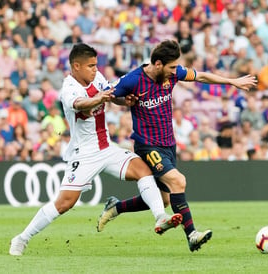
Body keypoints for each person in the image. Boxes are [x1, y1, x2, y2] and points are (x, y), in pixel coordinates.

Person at [9, 43, 182, 256]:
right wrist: (97, 99)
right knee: (64, 203)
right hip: (85, 154)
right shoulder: (69, 88)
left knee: (143, 170)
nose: (94, 69)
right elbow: (80, 104)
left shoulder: (97, 78)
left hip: (107, 148)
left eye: (95, 65)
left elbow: (110, 95)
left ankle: (160, 217)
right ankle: (22, 238)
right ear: (76, 66)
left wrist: (124, 100)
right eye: (90, 66)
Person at [97, 40, 257, 252]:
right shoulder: (133, 80)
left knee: (163, 200)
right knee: (178, 181)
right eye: (172, 67)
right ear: (157, 64)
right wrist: (124, 101)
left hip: (168, 145)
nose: (176, 71)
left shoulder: (172, 74)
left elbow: (200, 76)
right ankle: (192, 235)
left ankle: (115, 207)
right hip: (147, 145)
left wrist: (232, 81)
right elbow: (109, 95)